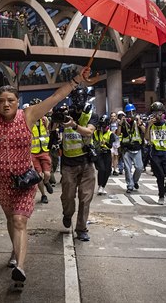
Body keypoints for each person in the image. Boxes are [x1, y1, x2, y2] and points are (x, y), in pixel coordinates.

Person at [0, 65, 97, 288]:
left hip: (25, 180)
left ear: (17, 102)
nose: (5, 104)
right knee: (11, 219)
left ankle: (20, 267)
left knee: (19, 220)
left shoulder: (29, 115)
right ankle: (14, 250)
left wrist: (77, 80)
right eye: (1, 100)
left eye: (10, 100)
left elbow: (56, 96)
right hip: (1, 181)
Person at [60, 86, 98, 241]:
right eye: (76, 98)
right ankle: (67, 214)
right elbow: (53, 128)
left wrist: (74, 125)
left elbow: (89, 132)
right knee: (68, 196)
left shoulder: (91, 114)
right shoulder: (65, 114)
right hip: (68, 164)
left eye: (81, 98)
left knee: (85, 198)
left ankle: (81, 228)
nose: (79, 101)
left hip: (86, 163)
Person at [29, 98, 54, 204]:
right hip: (33, 152)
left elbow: (50, 130)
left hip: (44, 150)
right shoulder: (28, 120)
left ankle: (47, 182)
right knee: (39, 175)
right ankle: (44, 195)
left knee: (47, 174)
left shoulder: (45, 120)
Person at [120, 103, 145, 193]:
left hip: (137, 148)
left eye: (132, 112)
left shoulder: (138, 122)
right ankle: (130, 185)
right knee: (127, 168)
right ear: (126, 114)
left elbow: (145, 132)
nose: (131, 114)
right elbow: (118, 134)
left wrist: (140, 123)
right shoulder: (124, 123)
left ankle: (134, 181)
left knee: (139, 167)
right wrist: (120, 124)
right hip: (126, 149)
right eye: (129, 113)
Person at [94, 114, 117, 195]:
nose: (102, 127)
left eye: (103, 125)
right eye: (101, 125)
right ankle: (100, 186)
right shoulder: (96, 133)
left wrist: (105, 143)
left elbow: (110, 146)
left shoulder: (111, 134)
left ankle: (103, 186)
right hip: (99, 153)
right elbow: (93, 142)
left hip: (107, 153)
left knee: (108, 171)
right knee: (102, 169)